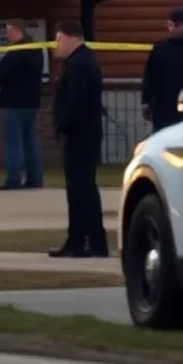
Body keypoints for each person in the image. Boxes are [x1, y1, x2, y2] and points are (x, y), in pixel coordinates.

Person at [50, 20, 108, 258]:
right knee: (81, 189)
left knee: (81, 190)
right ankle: (85, 240)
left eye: (58, 40)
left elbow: (77, 101)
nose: (56, 45)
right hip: (84, 133)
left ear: (68, 38)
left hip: (81, 134)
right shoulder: (80, 61)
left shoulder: (79, 64)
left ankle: (84, 241)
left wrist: (62, 124)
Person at [0, 19, 44, 190]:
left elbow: (3, 75)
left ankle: (13, 179)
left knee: (13, 142)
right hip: (32, 102)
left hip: (14, 103)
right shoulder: (36, 51)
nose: (6, 36)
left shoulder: (15, 52)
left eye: (8, 31)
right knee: (30, 140)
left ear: (17, 30)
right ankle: (35, 178)